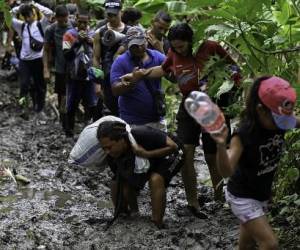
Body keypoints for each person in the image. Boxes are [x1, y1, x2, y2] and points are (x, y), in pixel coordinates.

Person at [121, 22, 240, 217]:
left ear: (190, 41)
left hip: (212, 103)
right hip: (189, 104)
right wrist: (140, 75)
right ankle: (193, 203)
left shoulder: (209, 47)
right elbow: (164, 69)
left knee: (212, 155)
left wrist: (232, 93)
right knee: (185, 153)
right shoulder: (174, 53)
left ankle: (220, 198)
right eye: (174, 47)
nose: (178, 50)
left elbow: (233, 68)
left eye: (181, 46)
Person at [210, 76, 299, 250]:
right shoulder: (244, 134)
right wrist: (220, 145)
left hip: (260, 193)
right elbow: (226, 171)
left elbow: (296, 121)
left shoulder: (280, 119)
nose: (282, 125)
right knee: (270, 243)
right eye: (278, 120)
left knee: (248, 243)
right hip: (242, 196)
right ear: (261, 110)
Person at [96, 120, 184, 228]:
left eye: (109, 147)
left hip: (171, 153)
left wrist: (146, 154)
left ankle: (157, 222)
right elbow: (124, 182)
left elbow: (173, 146)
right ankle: (133, 213)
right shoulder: (112, 155)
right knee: (117, 182)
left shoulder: (142, 133)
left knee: (155, 179)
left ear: (122, 140)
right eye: (103, 148)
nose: (107, 152)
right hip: (147, 159)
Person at [110, 26, 166, 131]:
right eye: (135, 46)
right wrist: (133, 81)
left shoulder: (157, 56)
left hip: (157, 119)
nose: (139, 48)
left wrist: (161, 50)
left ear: (146, 40)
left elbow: (172, 74)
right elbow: (115, 90)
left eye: (141, 43)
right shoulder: (120, 61)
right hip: (132, 121)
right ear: (128, 46)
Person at [11, 3, 53, 118]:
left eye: (29, 15)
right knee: (24, 85)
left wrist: (34, 4)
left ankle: (39, 108)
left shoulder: (41, 24)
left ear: (33, 14)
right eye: (26, 16)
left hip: (38, 59)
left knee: (40, 85)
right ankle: (23, 108)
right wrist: (20, 8)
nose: (28, 18)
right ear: (24, 17)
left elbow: (49, 13)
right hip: (24, 61)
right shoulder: (22, 26)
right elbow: (10, 16)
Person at [63, 9, 98, 137]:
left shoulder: (94, 34)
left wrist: (91, 42)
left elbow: (99, 53)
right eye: (80, 22)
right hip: (74, 76)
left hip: (90, 77)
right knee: (71, 104)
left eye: (85, 22)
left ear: (89, 21)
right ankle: (69, 132)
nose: (82, 25)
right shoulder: (69, 34)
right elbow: (66, 55)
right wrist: (77, 42)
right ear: (76, 19)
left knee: (92, 104)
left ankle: (92, 132)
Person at [93, 0, 130, 116]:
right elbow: (96, 58)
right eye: (109, 15)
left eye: (115, 15)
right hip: (108, 77)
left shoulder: (130, 31)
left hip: (127, 76)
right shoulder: (100, 32)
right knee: (111, 110)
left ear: (121, 13)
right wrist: (97, 83)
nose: (112, 18)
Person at [44, 4, 73, 132]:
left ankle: (72, 119)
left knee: (75, 94)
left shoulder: (75, 25)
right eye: (60, 19)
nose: (63, 22)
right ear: (56, 18)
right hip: (61, 68)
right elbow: (45, 50)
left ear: (68, 16)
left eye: (65, 19)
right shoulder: (51, 29)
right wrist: (46, 69)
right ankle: (64, 122)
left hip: (75, 68)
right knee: (62, 95)